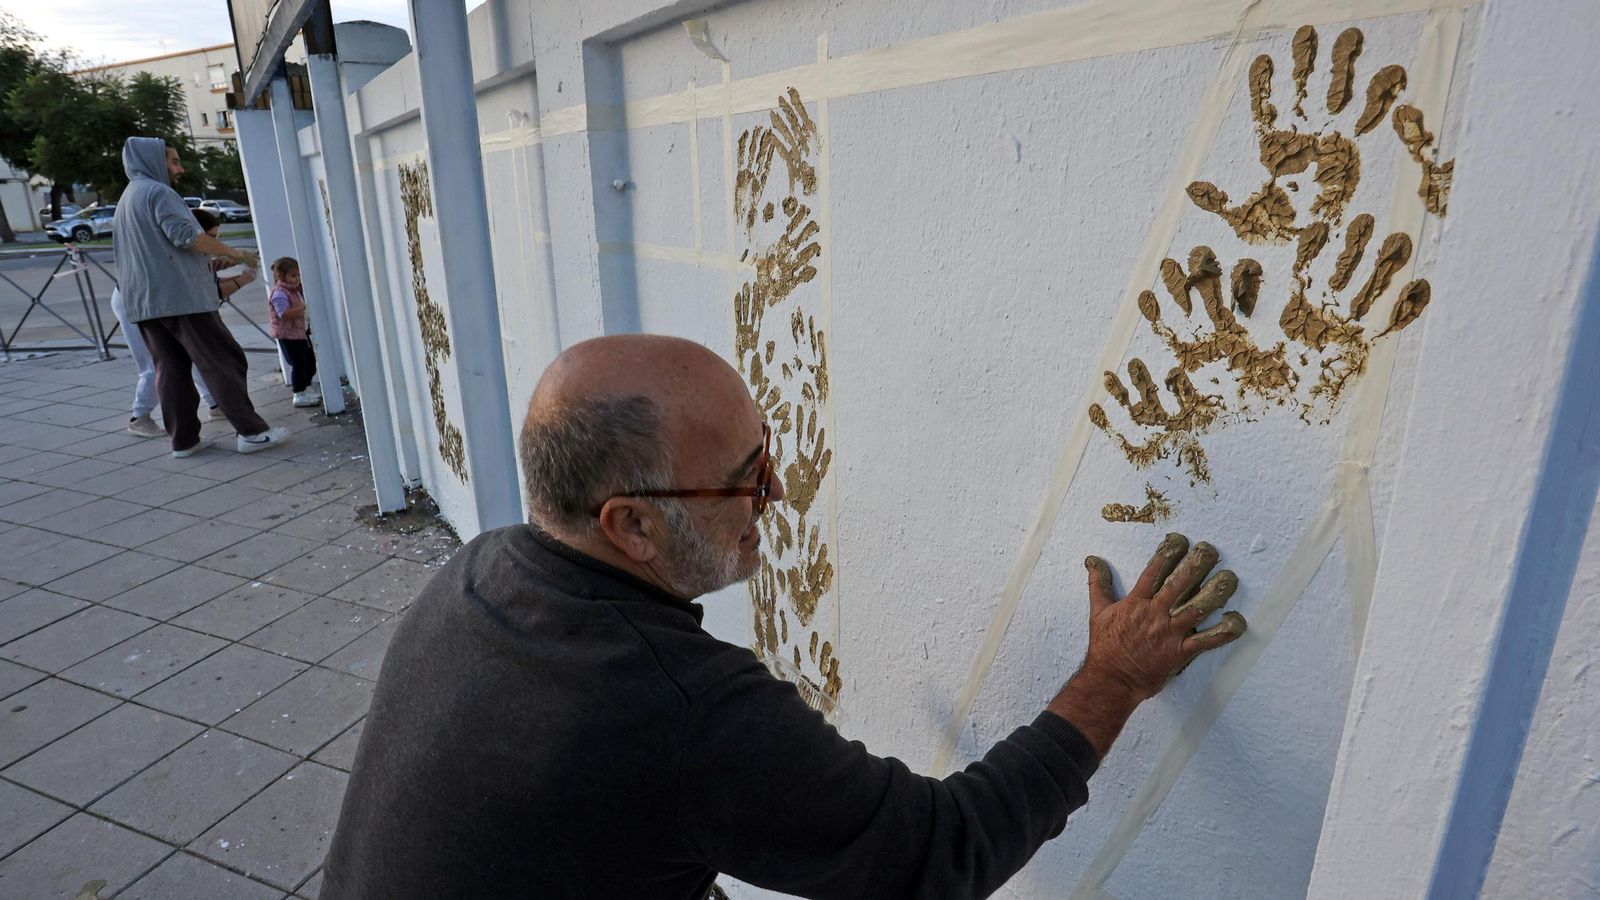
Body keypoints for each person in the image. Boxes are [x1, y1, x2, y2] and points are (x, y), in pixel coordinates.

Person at [321, 334, 1249, 899]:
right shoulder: (679, 710)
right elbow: (937, 854)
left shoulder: (483, 569)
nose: (777, 492)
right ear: (631, 525)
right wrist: (1111, 679)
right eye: (746, 477)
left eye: (768, 454)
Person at [111, 136, 289, 457]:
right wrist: (235, 252)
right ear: (155, 162)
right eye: (174, 161)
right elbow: (186, 236)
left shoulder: (128, 198)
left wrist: (213, 260)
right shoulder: (158, 192)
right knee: (223, 360)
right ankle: (251, 433)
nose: (180, 169)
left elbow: (159, 251)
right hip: (181, 301)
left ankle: (184, 441)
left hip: (145, 303)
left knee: (171, 370)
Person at [113, 208, 255, 437]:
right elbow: (212, 290)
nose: (215, 242)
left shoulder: (184, 249)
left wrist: (228, 265)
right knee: (155, 364)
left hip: (151, 302)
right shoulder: (181, 250)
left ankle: (214, 404)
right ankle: (139, 417)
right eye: (211, 236)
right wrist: (243, 280)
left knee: (190, 354)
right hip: (135, 303)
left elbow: (207, 280)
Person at [267, 256, 321, 407]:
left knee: (309, 363)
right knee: (299, 364)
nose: (297, 279)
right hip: (288, 336)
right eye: (293, 275)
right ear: (280, 276)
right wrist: (303, 308)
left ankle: (306, 387)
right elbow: (283, 314)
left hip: (300, 333)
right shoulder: (280, 293)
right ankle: (299, 393)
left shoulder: (293, 290)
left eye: (298, 275)